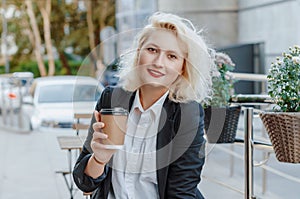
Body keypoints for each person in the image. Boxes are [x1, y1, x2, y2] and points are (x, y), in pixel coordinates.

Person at [73, 12, 214, 199]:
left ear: (182, 68)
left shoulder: (187, 113)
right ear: (139, 51)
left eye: (172, 56)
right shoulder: (112, 98)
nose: (158, 63)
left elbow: (181, 192)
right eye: (152, 50)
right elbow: (84, 182)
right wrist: (98, 158)